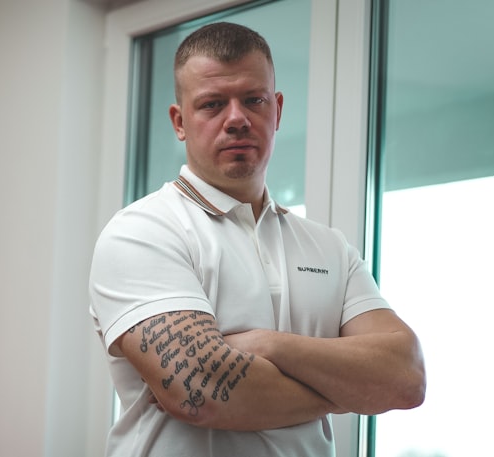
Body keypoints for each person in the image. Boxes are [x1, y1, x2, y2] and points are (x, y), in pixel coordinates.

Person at [88, 22, 426, 456]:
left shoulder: (328, 248)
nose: (236, 119)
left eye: (254, 100)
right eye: (212, 104)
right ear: (179, 121)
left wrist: (267, 344)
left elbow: (406, 377)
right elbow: (202, 392)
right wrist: (352, 393)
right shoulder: (142, 232)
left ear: (277, 110)